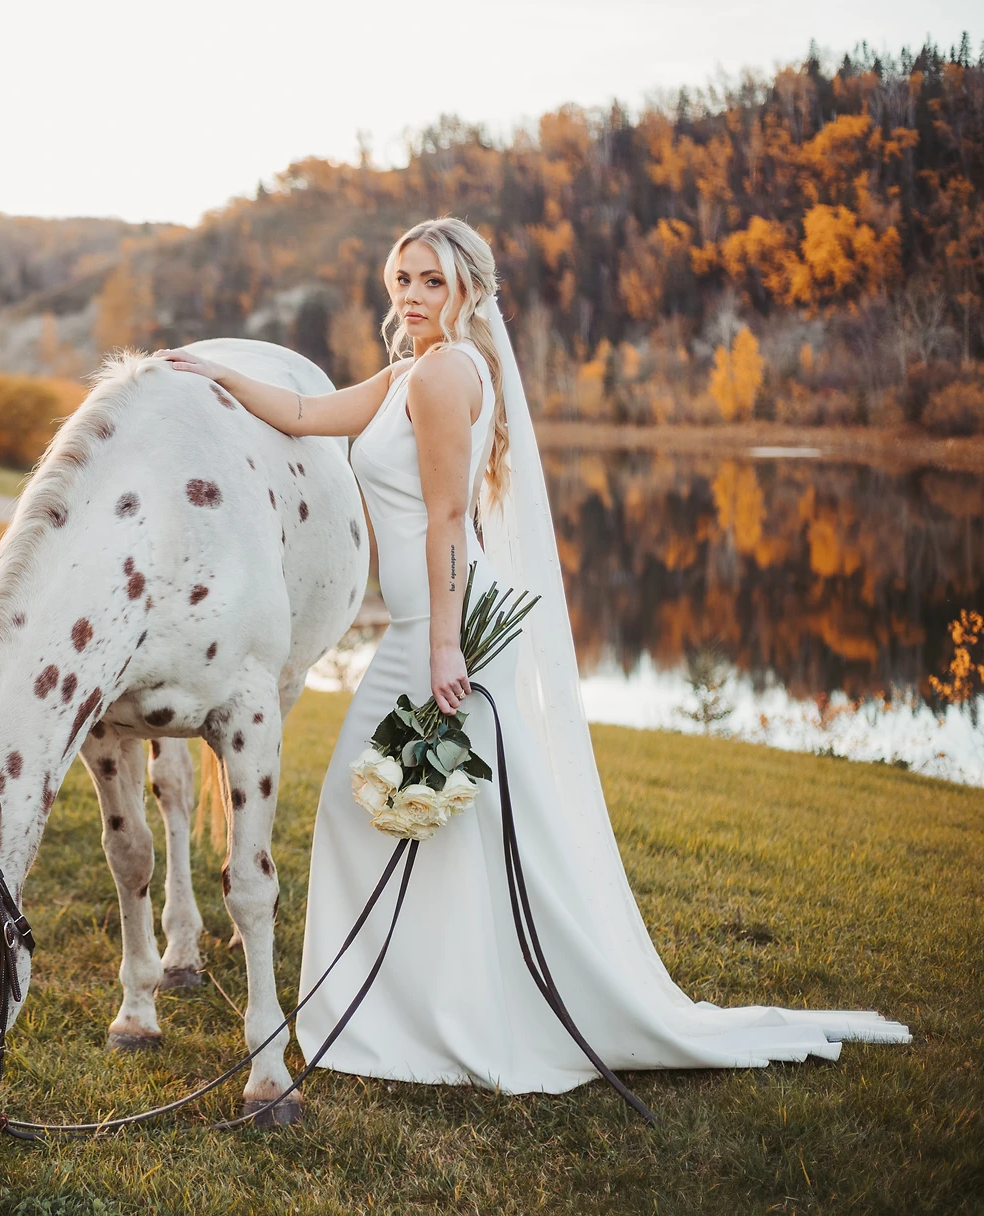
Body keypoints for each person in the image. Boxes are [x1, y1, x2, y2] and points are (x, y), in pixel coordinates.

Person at [153, 217, 908, 1100]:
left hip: (441, 632)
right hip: (425, 628)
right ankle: (404, 1012)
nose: (411, 296)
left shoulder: (441, 375)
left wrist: (442, 649)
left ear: (468, 288)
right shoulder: (410, 372)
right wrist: (211, 374)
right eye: (401, 279)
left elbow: (445, 521)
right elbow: (305, 413)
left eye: (431, 281)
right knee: (428, 825)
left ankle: (414, 1018)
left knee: (370, 815)